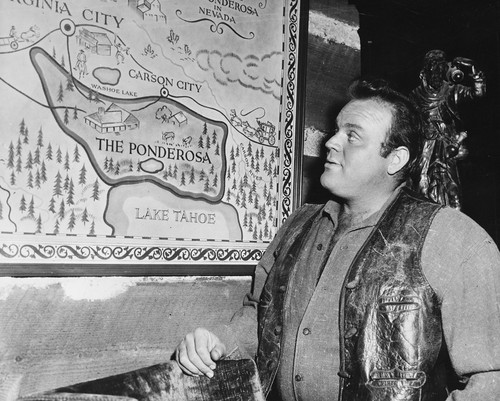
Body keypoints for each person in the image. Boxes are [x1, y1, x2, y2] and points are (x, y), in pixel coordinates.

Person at [175, 79, 500, 400]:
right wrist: (219, 342)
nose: (330, 142)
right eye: (336, 130)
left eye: (352, 135)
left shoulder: (453, 237)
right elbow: (261, 315)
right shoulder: (298, 224)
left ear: (395, 159)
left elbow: (491, 380)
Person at [410, 50, 486, 209]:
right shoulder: (416, 95)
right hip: (425, 146)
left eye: (441, 69)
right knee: (422, 185)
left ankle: (454, 219)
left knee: (453, 190)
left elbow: (477, 93)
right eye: (434, 70)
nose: (438, 74)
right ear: (424, 73)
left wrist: (475, 73)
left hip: (446, 145)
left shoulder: (451, 90)